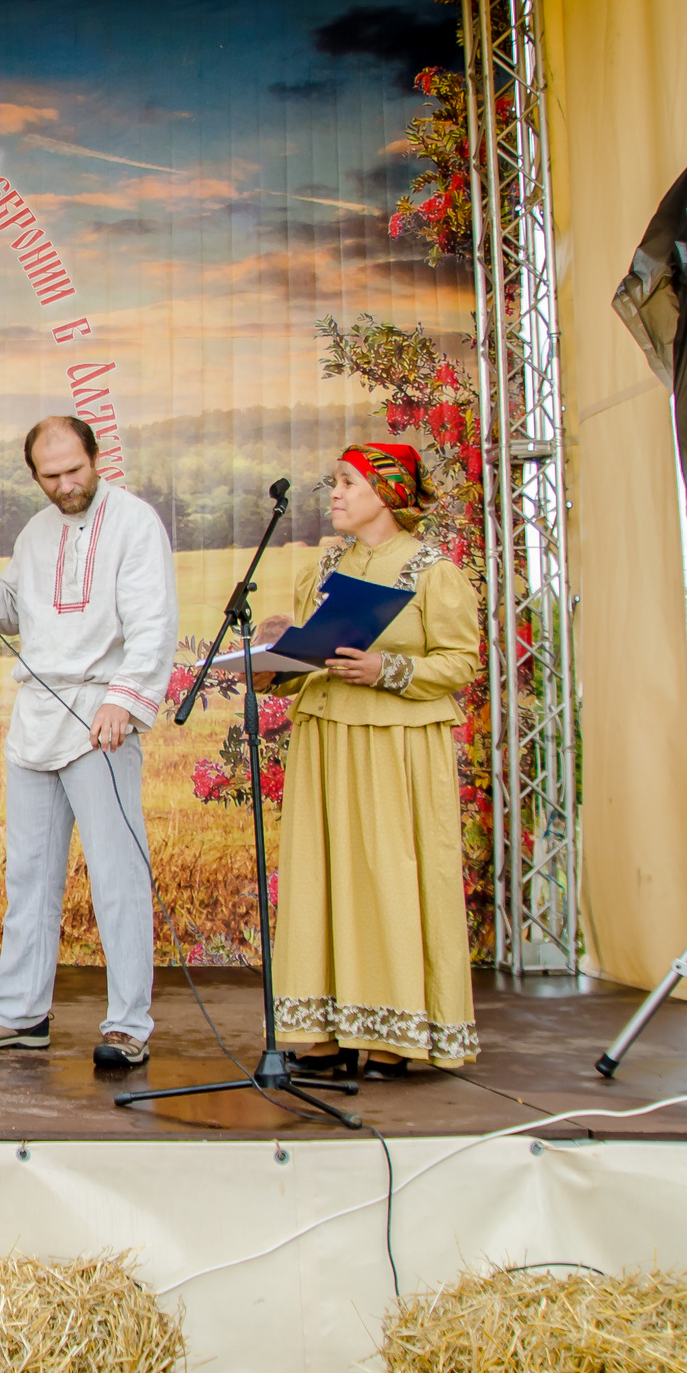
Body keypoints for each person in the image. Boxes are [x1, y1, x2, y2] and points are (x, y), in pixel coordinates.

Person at [0, 415, 178, 1068]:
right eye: (52, 475)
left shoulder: (135, 523)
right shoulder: (38, 532)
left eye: (76, 469)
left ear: (96, 457)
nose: (67, 484)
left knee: (117, 877)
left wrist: (122, 703)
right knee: (30, 877)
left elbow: (154, 624)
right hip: (38, 715)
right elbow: (16, 612)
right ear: (36, 476)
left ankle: (128, 1024)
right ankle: (20, 1015)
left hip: (100, 715)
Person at [256, 444, 482, 1078]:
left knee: (388, 873)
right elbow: (310, 660)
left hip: (396, 745)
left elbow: (461, 661)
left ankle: (390, 1035)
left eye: (347, 482)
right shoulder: (323, 565)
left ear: (385, 492)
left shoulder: (433, 570)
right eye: (334, 482)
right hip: (327, 740)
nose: (335, 493)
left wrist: (389, 668)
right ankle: (324, 1034)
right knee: (322, 874)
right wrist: (276, 657)